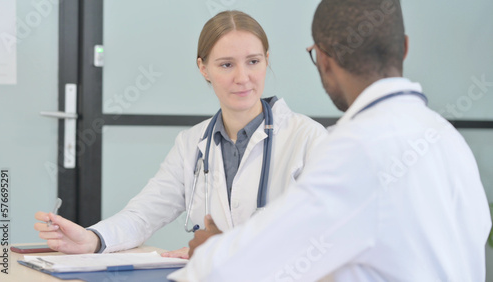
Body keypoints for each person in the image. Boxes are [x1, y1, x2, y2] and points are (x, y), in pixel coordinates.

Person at [168, 0, 492, 281]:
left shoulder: (355, 149)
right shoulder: (447, 138)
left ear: (323, 59)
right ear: (404, 47)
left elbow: (248, 267)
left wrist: (212, 251)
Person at [34, 11, 328, 258]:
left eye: (253, 61)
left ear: (266, 59)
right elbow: (144, 214)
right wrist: (93, 239)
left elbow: (325, 237)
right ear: (203, 68)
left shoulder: (308, 139)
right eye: (226, 64)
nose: (242, 77)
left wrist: (221, 252)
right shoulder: (192, 144)